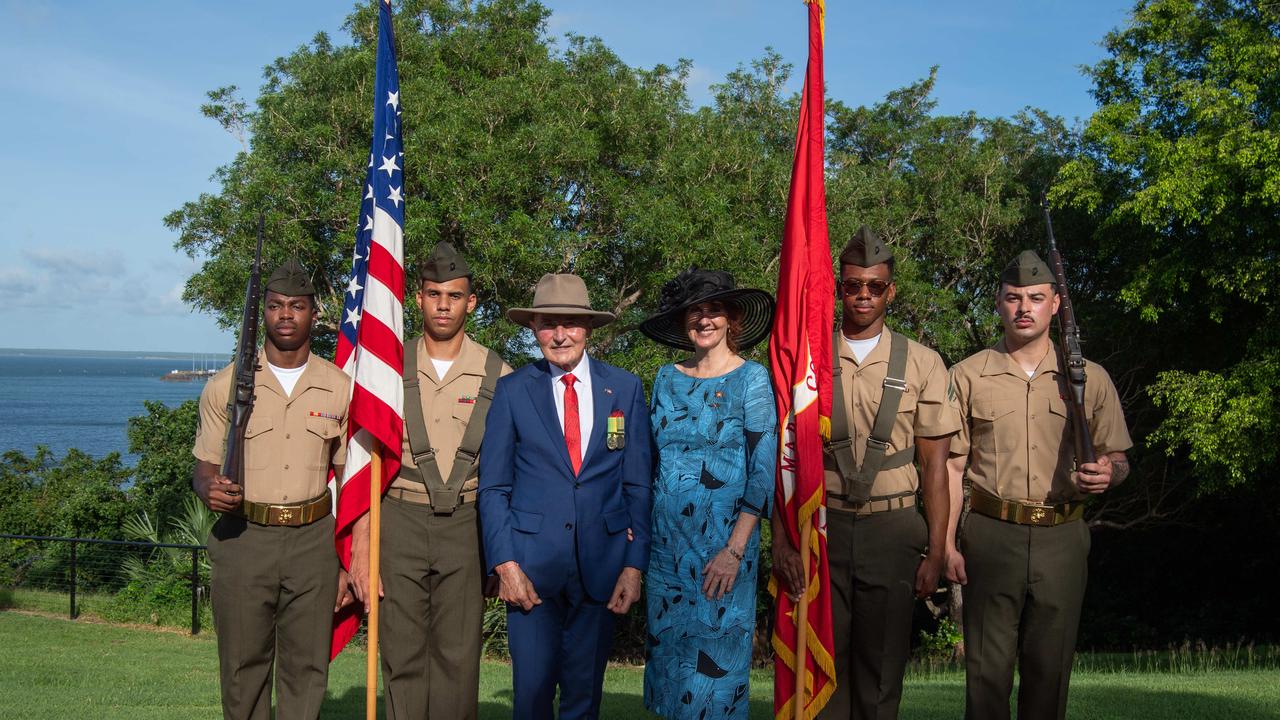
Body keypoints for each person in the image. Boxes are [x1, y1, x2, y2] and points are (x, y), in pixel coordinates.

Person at [773, 227, 959, 720]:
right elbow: (783, 460)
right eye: (854, 284)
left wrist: (937, 550)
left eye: (874, 287)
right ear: (840, 287)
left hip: (892, 529)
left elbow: (935, 467)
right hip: (823, 529)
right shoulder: (807, 363)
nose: (863, 295)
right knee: (825, 666)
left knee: (880, 673)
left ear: (890, 291)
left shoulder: (923, 362)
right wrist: (782, 539)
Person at [944, 250, 1133, 720]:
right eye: (1013, 298)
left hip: (1062, 536)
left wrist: (1109, 472)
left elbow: (1119, 457)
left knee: (1049, 676)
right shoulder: (967, 376)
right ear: (998, 304)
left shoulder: (1090, 378)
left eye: (1035, 297)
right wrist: (945, 544)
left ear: (1055, 306)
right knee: (986, 678)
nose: (1023, 307)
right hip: (991, 533)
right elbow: (949, 467)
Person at [343, 242, 510, 720]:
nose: (443, 304)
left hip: (466, 526)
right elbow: (359, 460)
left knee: (459, 660)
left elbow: (509, 474)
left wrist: (503, 551)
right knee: (401, 656)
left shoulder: (500, 375)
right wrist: (361, 545)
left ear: (471, 303)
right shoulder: (384, 371)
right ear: (417, 297)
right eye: (434, 293)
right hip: (398, 520)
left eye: (454, 296)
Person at [478, 273, 653, 720]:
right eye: (548, 324)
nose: (560, 335)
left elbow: (637, 485)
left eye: (571, 324)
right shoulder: (513, 391)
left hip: (601, 569)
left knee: (583, 701)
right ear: (533, 329)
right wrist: (506, 565)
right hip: (530, 573)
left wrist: (633, 566)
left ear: (588, 329)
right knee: (531, 699)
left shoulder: (626, 389)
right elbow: (494, 487)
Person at [191, 258, 350, 720]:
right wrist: (208, 489)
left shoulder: (338, 388)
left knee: (307, 671)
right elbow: (202, 467)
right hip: (244, 539)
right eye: (276, 305)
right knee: (243, 671)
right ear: (262, 312)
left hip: (313, 541)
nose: (286, 315)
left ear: (313, 314)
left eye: (296, 306)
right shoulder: (225, 386)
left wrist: (346, 560)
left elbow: (348, 479)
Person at [637, 268, 777, 719]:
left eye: (714, 310)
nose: (704, 320)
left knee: (713, 687)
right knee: (671, 678)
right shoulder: (665, 379)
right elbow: (649, 462)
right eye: (694, 312)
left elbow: (762, 473)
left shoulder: (752, 380)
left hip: (723, 553)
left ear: (732, 319)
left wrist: (734, 550)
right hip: (665, 556)